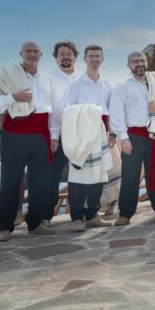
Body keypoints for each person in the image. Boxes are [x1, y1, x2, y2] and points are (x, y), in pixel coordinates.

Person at [0, 41, 60, 241]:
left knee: (40, 181)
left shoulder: (47, 78)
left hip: (41, 134)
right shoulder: (6, 77)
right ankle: (4, 226)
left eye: (36, 51)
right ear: (20, 53)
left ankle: (35, 223)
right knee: (10, 181)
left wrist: (54, 135)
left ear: (41, 54)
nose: (32, 54)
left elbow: (54, 109)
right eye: (28, 51)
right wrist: (13, 97)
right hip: (15, 134)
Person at [109, 51, 155, 225]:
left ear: (146, 62)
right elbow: (116, 114)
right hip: (134, 135)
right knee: (130, 175)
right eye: (134, 61)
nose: (139, 64)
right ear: (129, 65)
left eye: (141, 60)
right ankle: (125, 214)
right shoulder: (121, 87)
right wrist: (124, 138)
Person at [57, 45, 113, 231]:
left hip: (100, 133)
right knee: (78, 176)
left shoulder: (106, 84)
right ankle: (77, 218)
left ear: (103, 59)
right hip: (81, 135)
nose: (94, 59)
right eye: (91, 56)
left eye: (98, 56)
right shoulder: (76, 84)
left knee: (98, 175)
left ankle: (92, 215)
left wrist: (111, 132)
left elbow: (109, 110)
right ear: (85, 59)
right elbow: (66, 111)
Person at [43, 41, 80, 225]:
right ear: (56, 57)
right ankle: (45, 217)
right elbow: (52, 109)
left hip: (80, 135)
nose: (66, 57)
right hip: (56, 136)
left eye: (69, 54)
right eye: (62, 54)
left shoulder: (82, 78)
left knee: (80, 176)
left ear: (75, 56)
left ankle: (79, 216)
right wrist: (54, 135)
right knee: (52, 176)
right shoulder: (47, 77)